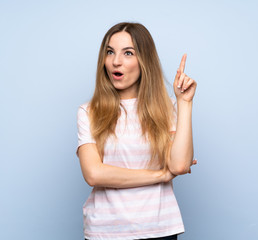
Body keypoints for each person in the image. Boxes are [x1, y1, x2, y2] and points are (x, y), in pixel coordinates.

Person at [76, 22, 197, 240]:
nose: (116, 61)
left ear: (144, 61)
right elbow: (94, 174)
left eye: (128, 53)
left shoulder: (167, 109)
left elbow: (179, 165)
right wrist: (160, 175)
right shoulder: (90, 112)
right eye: (110, 52)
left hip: (159, 228)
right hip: (105, 231)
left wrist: (184, 103)